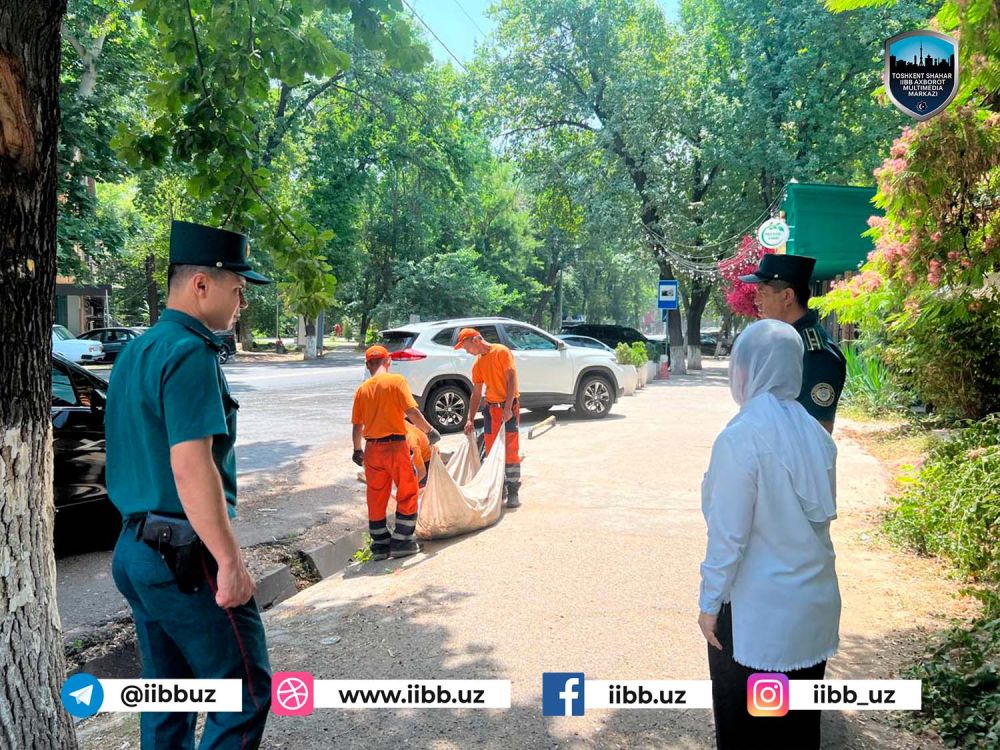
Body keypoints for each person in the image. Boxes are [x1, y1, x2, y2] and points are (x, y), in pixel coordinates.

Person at [105, 220, 272, 749]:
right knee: (242, 694)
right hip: (184, 556)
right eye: (237, 288)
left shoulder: (136, 351)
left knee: (169, 700)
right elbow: (190, 465)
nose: (242, 301)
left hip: (136, 551)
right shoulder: (190, 352)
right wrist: (229, 561)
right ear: (202, 284)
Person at [697, 319, 841, 750]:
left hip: (756, 619)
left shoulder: (741, 438)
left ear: (746, 369)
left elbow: (728, 538)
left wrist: (708, 604)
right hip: (812, 611)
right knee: (797, 732)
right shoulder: (816, 434)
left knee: (746, 734)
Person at [740, 254, 846, 433]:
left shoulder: (816, 353)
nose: (757, 301)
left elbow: (818, 431)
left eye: (762, 293)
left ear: (787, 296)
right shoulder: (782, 341)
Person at [352, 345, 440, 559]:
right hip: (396, 446)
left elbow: (357, 427)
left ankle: (380, 545)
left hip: (372, 449)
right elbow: (411, 411)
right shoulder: (397, 382)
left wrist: (357, 450)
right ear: (388, 361)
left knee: (376, 496)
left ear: (367, 364)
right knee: (407, 491)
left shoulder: (362, 390)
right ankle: (402, 541)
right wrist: (429, 431)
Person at [455, 328, 522, 507]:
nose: (466, 351)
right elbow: (476, 394)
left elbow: (511, 380)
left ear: (476, 340)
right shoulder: (478, 364)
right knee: (492, 452)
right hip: (491, 411)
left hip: (508, 407)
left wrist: (508, 408)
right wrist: (469, 419)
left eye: (466, 346)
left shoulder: (501, 352)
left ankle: (513, 490)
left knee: (510, 450)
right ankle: (499, 490)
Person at [405, 417, 432, 487]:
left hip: (429, 462)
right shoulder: (397, 423)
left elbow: (422, 472)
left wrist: (411, 487)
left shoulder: (412, 445)